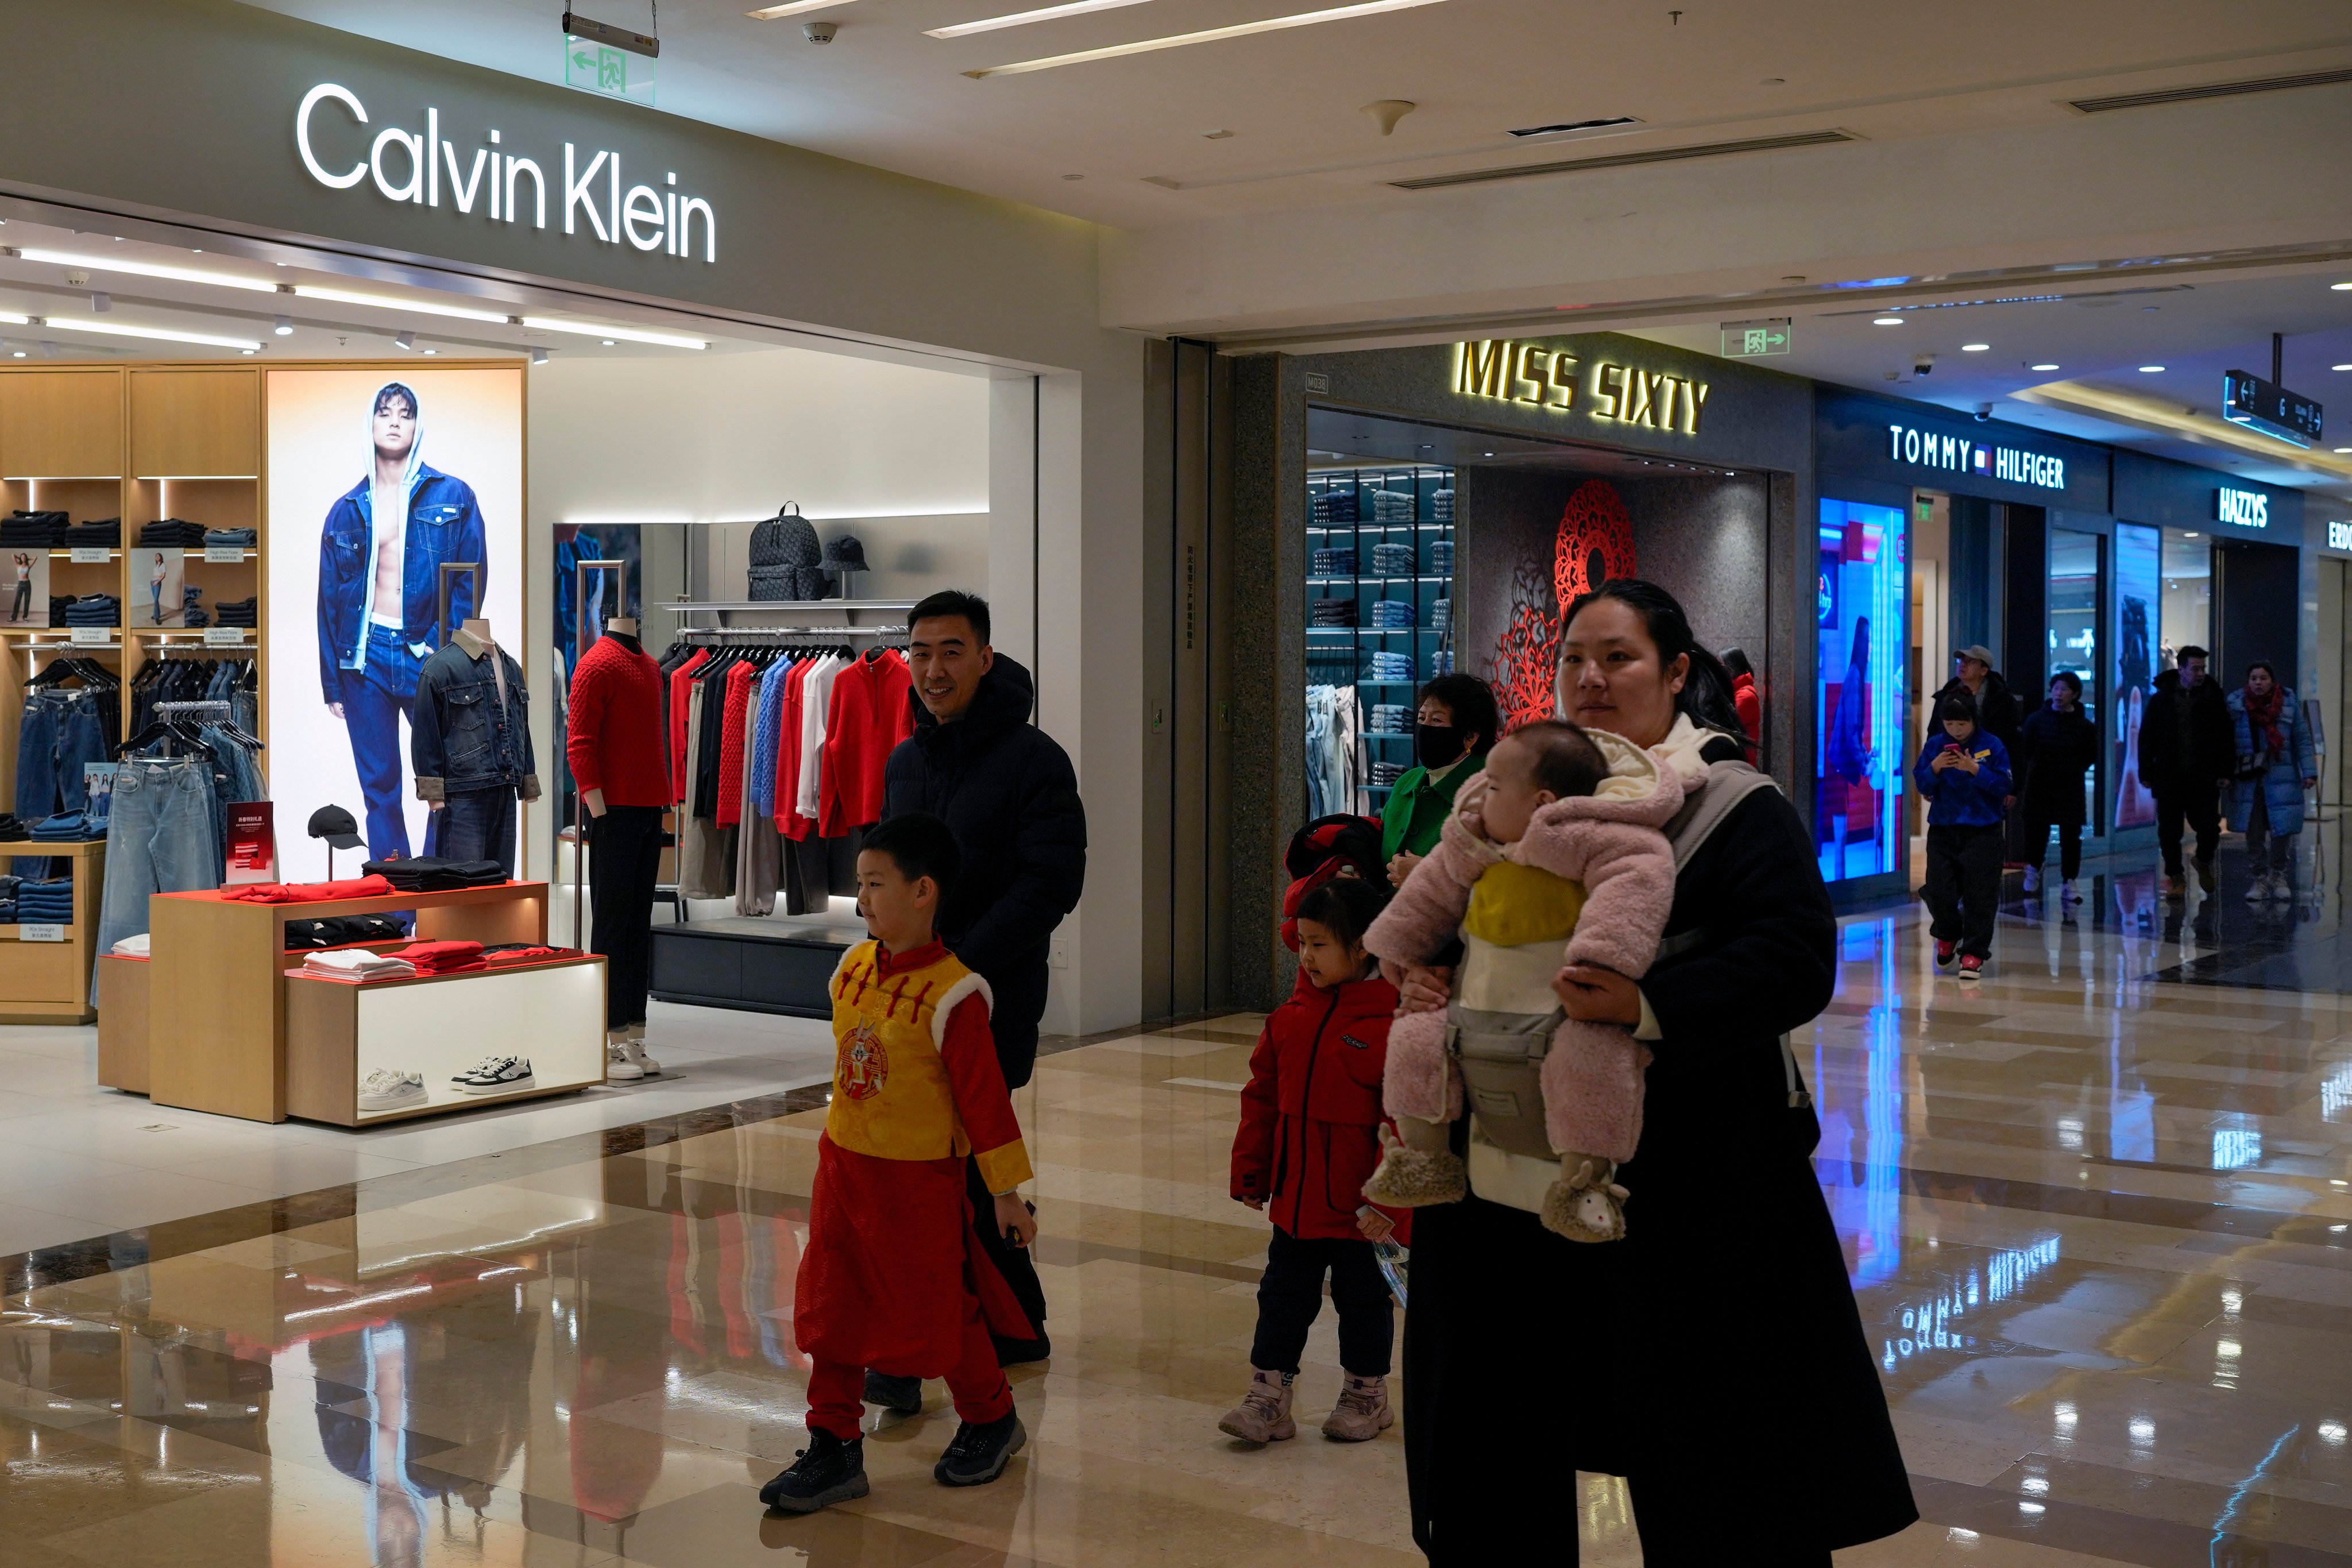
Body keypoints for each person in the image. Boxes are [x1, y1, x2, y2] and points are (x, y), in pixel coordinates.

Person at [1396, 578, 1914, 1564]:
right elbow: (1454, 927)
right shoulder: (1504, 796)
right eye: (1574, 660)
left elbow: (1795, 956)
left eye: (1619, 658)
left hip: (1682, 1187)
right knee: (1499, 1442)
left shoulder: (1729, 804)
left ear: (1677, 673)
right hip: (1503, 1177)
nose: (1591, 680)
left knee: (1711, 1452)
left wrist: (1646, 1004)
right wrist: (1429, 973)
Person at [760, 813, 1038, 1514]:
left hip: (918, 1185)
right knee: (832, 1302)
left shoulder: (957, 995)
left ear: (923, 892)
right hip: (843, 1171)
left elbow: (984, 1105)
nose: (862, 900)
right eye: (860, 884)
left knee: (938, 1308)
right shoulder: (851, 969)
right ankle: (832, 1445)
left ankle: (991, 1416)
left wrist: (1006, 1192)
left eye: (875, 884)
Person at [1362, 719, 1681, 1243]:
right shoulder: (1473, 846)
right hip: (1473, 1011)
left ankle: (1585, 1182)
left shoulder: (1601, 839)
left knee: (1593, 1065)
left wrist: (1601, 960)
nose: (1479, 798)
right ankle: (1421, 1157)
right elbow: (1426, 898)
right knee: (1415, 1038)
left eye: (1492, 788)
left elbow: (1636, 882)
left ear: (1540, 802)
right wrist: (1401, 955)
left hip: (1566, 1006)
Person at [877, 588, 1085, 1380]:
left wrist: (958, 968)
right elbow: (889, 875)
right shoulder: (905, 759)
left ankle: (982, 1327)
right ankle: (1006, 1323)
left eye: (951, 651)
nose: (933, 669)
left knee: (968, 1161)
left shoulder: (1034, 760)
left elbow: (1049, 882)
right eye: (920, 652)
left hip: (988, 999)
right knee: (937, 1166)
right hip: (906, 1005)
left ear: (985, 657)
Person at [1224, 876, 1408, 1446]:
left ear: (1364, 948)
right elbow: (1261, 1098)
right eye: (1302, 942)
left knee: (1363, 1302)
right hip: (1297, 1204)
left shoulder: (1393, 1029)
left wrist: (1385, 1202)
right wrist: (1253, 1172)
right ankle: (1269, 1395)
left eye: (1320, 943)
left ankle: (1366, 1393)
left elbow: (1405, 1122)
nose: (1306, 955)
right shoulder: (1290, 1019)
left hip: (1361, 1215)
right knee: (1281, 1297)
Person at [316, 382, 488, 863]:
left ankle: (435, 888)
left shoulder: (454, 495)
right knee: (380, 791)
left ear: (418, 425)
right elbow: (328, 601)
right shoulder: (345, 512)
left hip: (427, 656)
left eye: (405, 413)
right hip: (364, 658)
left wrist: (452, 655)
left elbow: (470, 583)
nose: (394, 421)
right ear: (369, 425)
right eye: (385, 412)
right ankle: (396, 907)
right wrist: (332, 680)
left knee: (446, 780)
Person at [1915, 690, 2011, 978]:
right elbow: (1921, 783)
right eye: (1950, 725)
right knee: (1938, 889)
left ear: (1974, 721)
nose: (1955, 731)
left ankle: (1973, 952)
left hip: (1983, 832)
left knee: (1980, 896)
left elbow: (2004, 787)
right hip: (1944, 830)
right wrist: (1934, 768)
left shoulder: (1992, 746)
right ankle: (1948, 932)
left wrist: (1975, 770)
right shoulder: (1936, 746)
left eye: (1962, 725)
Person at [1380, 673, 1499, 887]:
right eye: (1421, 718)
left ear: (1470, 736)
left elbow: (1501, 878)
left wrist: (1428, 874)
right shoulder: (1406, 783)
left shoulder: (1492, 793)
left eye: (1436, 720)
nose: (1425, 728)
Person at [2138, 644, 2233, 898]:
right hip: (2170, 776)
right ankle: (2176, 877)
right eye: (2195, 668)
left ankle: (2202, 860)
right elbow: (2147, 737)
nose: (2201, 673)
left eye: (2203, 668)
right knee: (2169, 832)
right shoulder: (2162, 700)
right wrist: (2146, 771)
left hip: (2203, 777)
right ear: (2181, 669)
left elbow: (2225, 737)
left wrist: (2225, 770)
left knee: (2209, 829)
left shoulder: (2213, 699)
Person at [2227, 660, 2317, 902]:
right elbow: (2226, 742)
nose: (2258, 683)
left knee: (2282, 829)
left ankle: (2278, 875)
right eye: (2254, 678)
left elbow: (2302, 739)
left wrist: (2308, 771)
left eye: (2263, 678)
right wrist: (2225, 773)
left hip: (2282, 775)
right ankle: (2259, 878)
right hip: (2250, 779)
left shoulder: (2288, 704)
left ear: (2272, 681)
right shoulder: (2236, 704)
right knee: (2254, 832)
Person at [2017, 672, 2096, 902]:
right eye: (2056, 689)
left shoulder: (2085, 727)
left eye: (2064, 690)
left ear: (2075, 695)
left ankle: (2069, 881)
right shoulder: (2036, 720)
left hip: (2070, 787)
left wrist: (2072, 769)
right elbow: (2026, 751)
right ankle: (2033, 870)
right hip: (2040, 785)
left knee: (2071, 838)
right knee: (2036, 833)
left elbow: (2090, 755)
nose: (2059, 694)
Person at [1722, 645, 1760, 764]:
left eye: (1722, 667)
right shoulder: (1738, 691)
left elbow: (1726, 724)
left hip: (1741, 762)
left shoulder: (1745, 696)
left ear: (1731, 668)